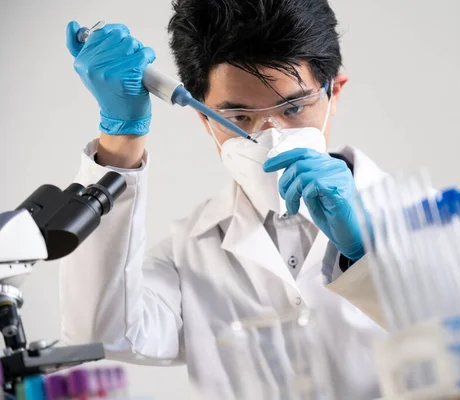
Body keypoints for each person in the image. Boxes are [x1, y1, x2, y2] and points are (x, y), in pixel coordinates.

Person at [60, 0, 386, 398]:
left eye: (294, 107)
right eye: (239, 118)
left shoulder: (421, 215)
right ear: (205, 119)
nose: (269, 137)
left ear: (334, 92)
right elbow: (99, 329)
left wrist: (364, 254)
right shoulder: (187, 257)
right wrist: (121, 135)